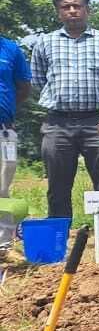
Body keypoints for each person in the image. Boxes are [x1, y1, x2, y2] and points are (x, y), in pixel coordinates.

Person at [31, 0, 99, 251]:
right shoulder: (45, 42)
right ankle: (59, 232)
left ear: (87, 9)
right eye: (66, 7)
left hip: (97, 120)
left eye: (77, 6)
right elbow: (38, 80)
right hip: (57, 122)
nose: (72, 11)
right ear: (58, 12)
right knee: (57, 181)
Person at [0, 34, 30, 255]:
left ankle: (3, 241)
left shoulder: (11, 49)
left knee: (2, 185)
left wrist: (7, 109)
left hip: (4, 129)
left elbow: (24, 88)